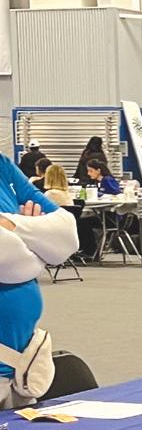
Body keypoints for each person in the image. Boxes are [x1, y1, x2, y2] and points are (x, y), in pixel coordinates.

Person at [0, 153, 80, 409]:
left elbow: (67, 234)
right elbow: (6, 254)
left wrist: (13, 225)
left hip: (22, 372)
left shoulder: (3, 166)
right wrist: (40, 249)